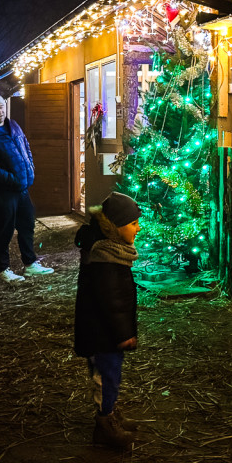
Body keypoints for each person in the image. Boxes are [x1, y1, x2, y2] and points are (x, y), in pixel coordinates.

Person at [73, 192, 142, 449]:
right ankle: (105, 425)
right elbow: (112, 302)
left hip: (105, 332)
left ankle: (111, 412)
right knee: (106, 377)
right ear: (115, 226)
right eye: (133, 223)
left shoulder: (109, 250)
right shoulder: (105, 259)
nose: (138, 227)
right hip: (102, 334)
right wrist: (124, 334)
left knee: (111, 376)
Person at [0, 91, 53, 283]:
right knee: (3, 229)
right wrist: (12, 178)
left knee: (27, 225)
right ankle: (2, 269)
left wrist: (30, 169)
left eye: (1, 106)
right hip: (2, 192)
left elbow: (26, 147)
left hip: (21, 188)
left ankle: (30, 263)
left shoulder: (13, 126)